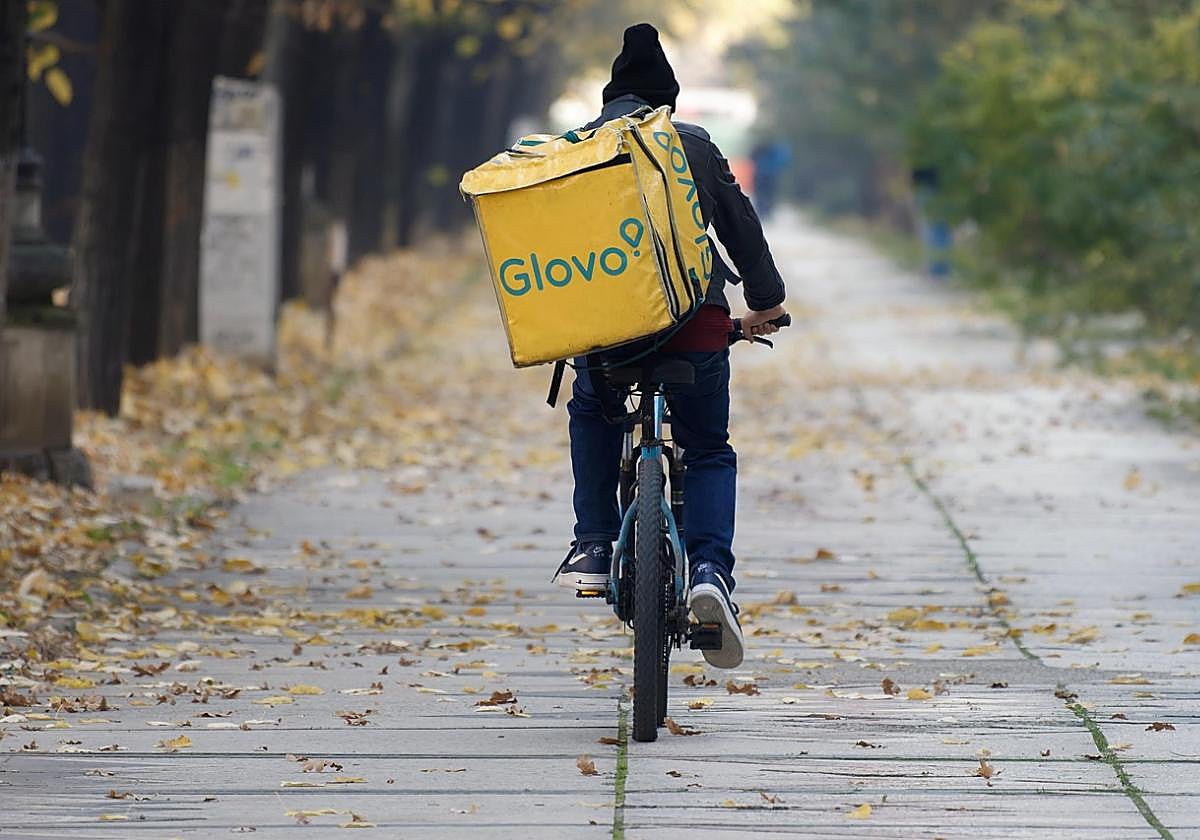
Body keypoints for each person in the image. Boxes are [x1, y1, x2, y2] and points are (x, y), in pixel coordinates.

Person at [552, 23, 786, 670]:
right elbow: (742, 229)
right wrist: (764, 302)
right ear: (668, 104)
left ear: (609, 100)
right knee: (708, 448)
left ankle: (595, 544)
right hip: (697, 325)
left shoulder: (576, 151)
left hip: (608, 335)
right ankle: (710, 569)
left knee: (592, 409)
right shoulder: (690, 145)